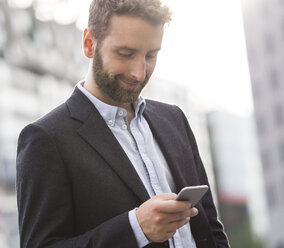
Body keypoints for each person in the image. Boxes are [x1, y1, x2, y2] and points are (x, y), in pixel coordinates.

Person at [16, 0, 230, 247]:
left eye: (151, 55)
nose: (139, 73)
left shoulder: (174, 120)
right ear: (89, 43)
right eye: (126, 54)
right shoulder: (46, 139)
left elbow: (210, 228)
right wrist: (135, 228)